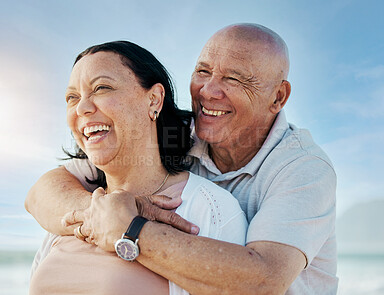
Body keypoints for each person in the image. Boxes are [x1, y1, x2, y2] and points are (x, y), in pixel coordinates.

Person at [26, 23, 338, 294]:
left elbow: (262, 282)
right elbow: (45, 190)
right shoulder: (181, 132)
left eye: (234, 79)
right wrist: (101, 213)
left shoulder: (304, 169)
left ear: (278, 97)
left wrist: (131, 229)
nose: (208, 91)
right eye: (203, 71)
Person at [28, 40, 247, 295]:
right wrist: (101, 213)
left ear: (154, 100)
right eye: (72, 97)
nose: (82, 108)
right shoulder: (68, 211)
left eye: (101, 88)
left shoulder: (210, 210)